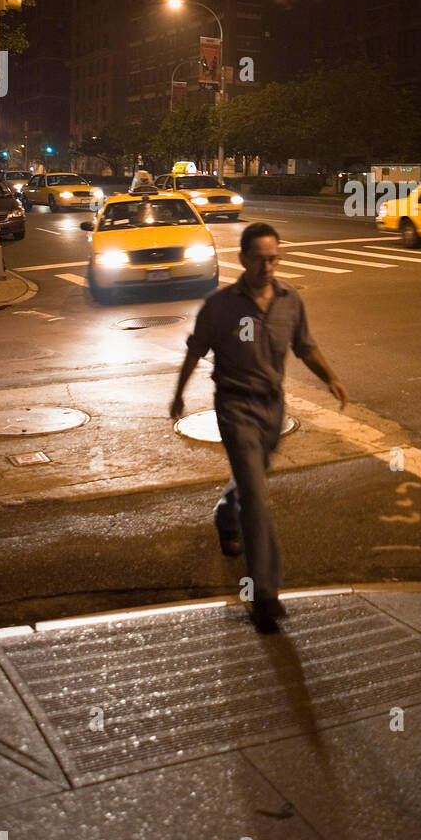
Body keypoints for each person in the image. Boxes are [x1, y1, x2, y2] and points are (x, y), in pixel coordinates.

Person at [170, 222, 349, 633]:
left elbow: (304, 346)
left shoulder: (290, 299)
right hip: (234, 405)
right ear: (244, 259)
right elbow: (196, 351)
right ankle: (264, 595)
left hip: (272, 407)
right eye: (260, 259)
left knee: (249, 485)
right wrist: (179, 394)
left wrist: (330, 378)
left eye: (274, 259)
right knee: (257, 497)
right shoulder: (219, 306)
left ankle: (223, 515)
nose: (269, 267)